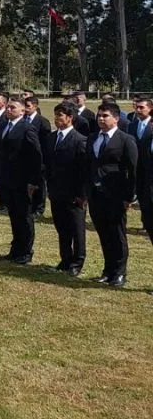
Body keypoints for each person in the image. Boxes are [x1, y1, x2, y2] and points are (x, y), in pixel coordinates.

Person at [87, 101, 137, 288]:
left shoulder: (125, 140)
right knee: (103, 233)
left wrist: (128, 197)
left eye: (105, 115)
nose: (101, 118)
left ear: (116, 118)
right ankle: (107, 271)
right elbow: (89, 165)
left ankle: (119, 273)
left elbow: (132, 172)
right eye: (99, 115)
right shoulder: (93, 138)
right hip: (96, 194)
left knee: (117, 235)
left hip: (115, 195)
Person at [0, 96, 42, 265]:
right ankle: (15, 249)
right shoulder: (4, 126)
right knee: (14, 215)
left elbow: (35, 156)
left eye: (13, 108)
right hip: (7, 179)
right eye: (8, 107)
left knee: (24, 216)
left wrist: (33, 181)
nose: (9, 110)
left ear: (23, 111)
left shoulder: (26, 128)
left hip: (22, 181)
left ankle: (26, 251)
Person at [44, 101, 88, 275]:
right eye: (55, 115)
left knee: (76, 230)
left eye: (60, 116)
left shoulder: (79, 140)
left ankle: (77, 262)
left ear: (70, 118)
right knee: (62, 228)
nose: (56, 119)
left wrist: (82, 194)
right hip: (56, 192)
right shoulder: (52, 139)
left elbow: (83, 170)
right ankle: (65, 259)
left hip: (74, 195)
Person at [23, 94, 51, 217]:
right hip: (24, 158)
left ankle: (38, 209)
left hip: (38, 159)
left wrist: (43, 162)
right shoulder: (22, 119)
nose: (25, 108)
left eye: (28, 106)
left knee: (39, 185)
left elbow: (45, 144)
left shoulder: (43, 122)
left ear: (35, 106)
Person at [130, 96, 153, 236]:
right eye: (136, 107)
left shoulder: (152, 125)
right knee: (143, 198)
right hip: (138, 169)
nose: (138, 110)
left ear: (150, 109)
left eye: (141, 107)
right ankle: (146, 222)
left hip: (150, 169)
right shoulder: (132, 125)